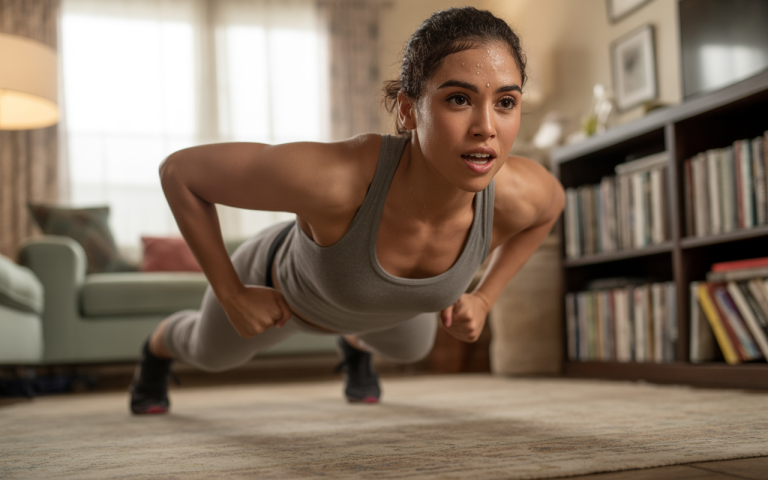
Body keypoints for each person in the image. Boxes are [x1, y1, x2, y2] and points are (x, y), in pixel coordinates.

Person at [129, 6, 565, 414]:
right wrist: (232, 294)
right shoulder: (337, 179)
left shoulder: (520, 191)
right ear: (410, 110)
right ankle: (155, 349)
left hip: (382, 310)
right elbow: (180, 173)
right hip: (282, 292)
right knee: (209, 354)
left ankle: (355, 346)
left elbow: (553, 208)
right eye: (458, 99)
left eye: (506, 102)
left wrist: (485, 297)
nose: (486, 128)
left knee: (413, 348)